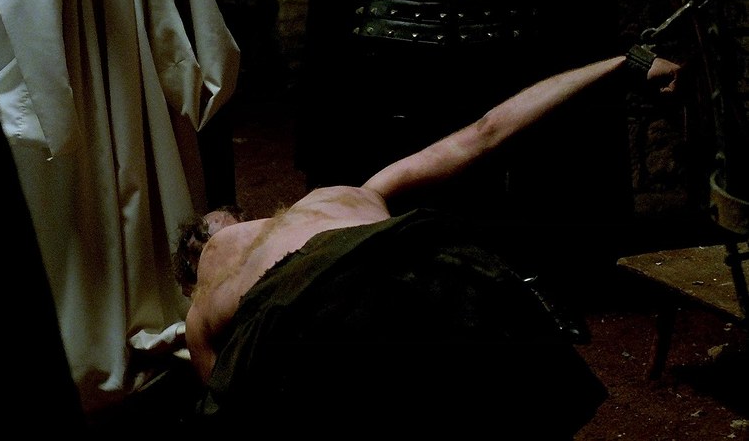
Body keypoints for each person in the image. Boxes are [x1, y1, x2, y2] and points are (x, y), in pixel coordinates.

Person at [173, 49, 682, 436]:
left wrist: (622, 64)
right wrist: (624, 64)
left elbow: (223, 405)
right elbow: (486, 132)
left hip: (391, 284)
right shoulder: (343, 198)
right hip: (430, 280)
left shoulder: (211, 297)